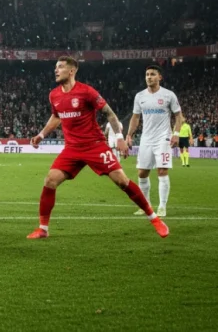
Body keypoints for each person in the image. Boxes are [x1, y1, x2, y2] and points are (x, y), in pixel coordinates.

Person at [28, 56, 169, 239]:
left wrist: (119, 137)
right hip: (71, 148)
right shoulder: (54, 95)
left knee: (121, 181)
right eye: (55, 67)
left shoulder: (86, 92)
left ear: (72, 71)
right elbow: (56, 116)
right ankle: (43, 229)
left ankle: (154, 218)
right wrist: (41, 135)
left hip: (95, 145)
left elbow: (109, 113)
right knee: (50, 180)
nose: (56, 70)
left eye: (60, 67)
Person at [125, 65, 183, 218]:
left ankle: (162, 206)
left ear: (160, 77)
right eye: (147, 74)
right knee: (142, 173)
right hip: (146, 138)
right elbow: (135, 117)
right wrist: (129, 135)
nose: (149, 77)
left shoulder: (168, 95)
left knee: (162, 170)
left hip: (163, 138)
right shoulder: (140, 96)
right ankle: (146, 206)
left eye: (152, 74)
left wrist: (176, 133)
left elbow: (178, 116)